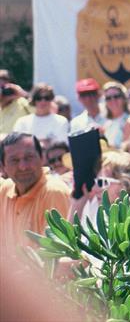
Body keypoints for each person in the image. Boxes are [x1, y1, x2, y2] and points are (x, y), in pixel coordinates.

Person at [0, 132, 71, 260]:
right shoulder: (5, 190)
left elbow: (56, 258)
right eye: (14, 160)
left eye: (29, 157)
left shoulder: (53, 192)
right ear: (3, 166)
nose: (23, 167)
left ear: (42, 158)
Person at [102, 82, 130, 149]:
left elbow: (126, 149)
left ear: (124, 99)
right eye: (108, 98)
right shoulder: (107, 123)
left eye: (116, 96)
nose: (112, 100)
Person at [0, 70, 31, 135]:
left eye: (4, 87)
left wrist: (23, 94)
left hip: (19, 143)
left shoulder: (22, 102)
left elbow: (41, 111)